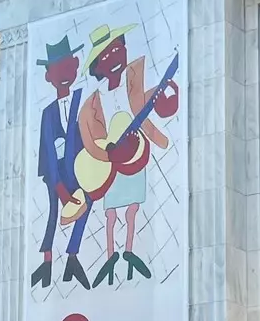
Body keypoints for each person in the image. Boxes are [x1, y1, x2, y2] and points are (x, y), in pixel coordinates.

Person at [77, 22, 173, 284]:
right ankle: (110, 256)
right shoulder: (94, 100)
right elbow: (89, 137)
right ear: (98, 66)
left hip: (135, 154)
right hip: (112, 161)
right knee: (111, 212)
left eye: (117, 49)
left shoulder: (133, 77)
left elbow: (146, 100)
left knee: (132, 208)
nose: (114, 58)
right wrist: (106, 153)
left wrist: (166, 97)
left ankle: (129, 252)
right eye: (106, 56)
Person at [33, 36, 90, 288]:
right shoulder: (47, 113)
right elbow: (47, 148)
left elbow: (91, 132)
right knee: (54, 212)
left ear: (76, 65)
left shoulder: (82, 99)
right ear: (48, 77)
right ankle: (47, 261)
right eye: (58, 71)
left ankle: (73, 256)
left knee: (86, 202)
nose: (64, 75)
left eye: (68, 67)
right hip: (55, 172)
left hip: (80, 167)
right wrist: (59, 188)